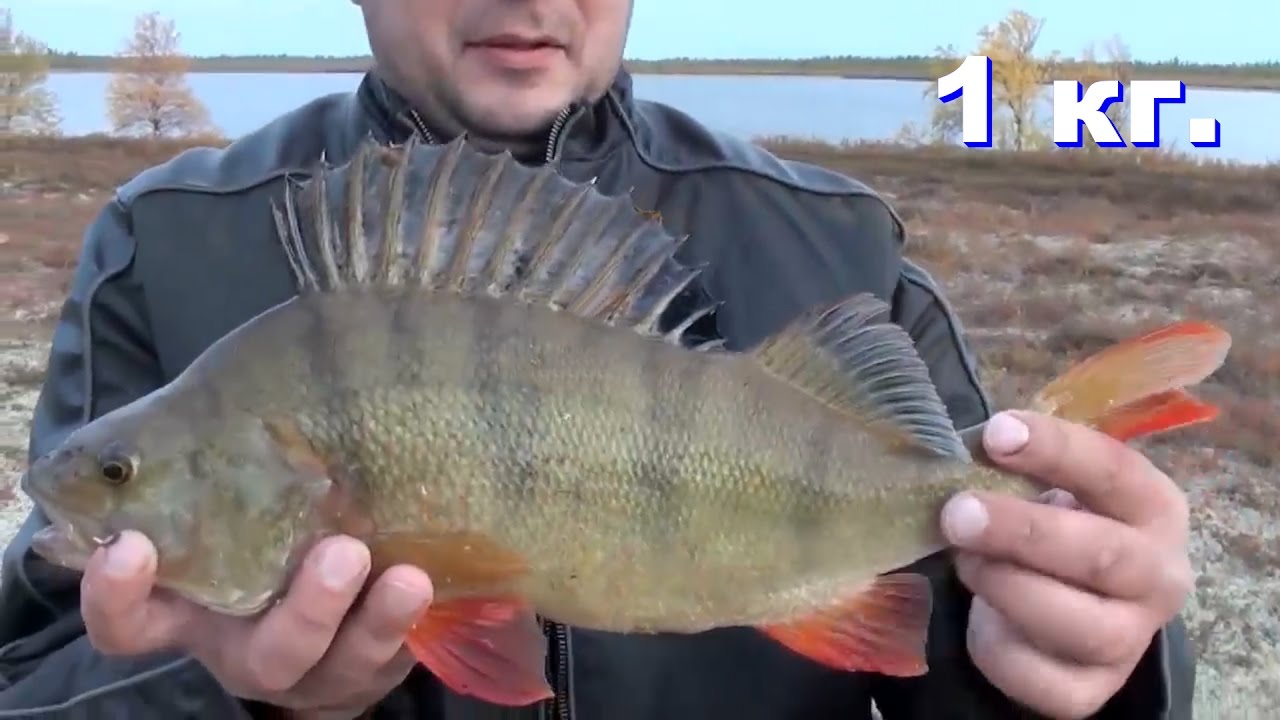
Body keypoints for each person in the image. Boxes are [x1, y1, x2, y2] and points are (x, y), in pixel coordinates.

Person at [0, 1, 1197, 718]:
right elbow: (32, 676)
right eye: (117, 477)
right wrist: (241, 695)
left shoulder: (841, 251)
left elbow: (950, 663)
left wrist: (1089, 663)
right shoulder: (163, 250)